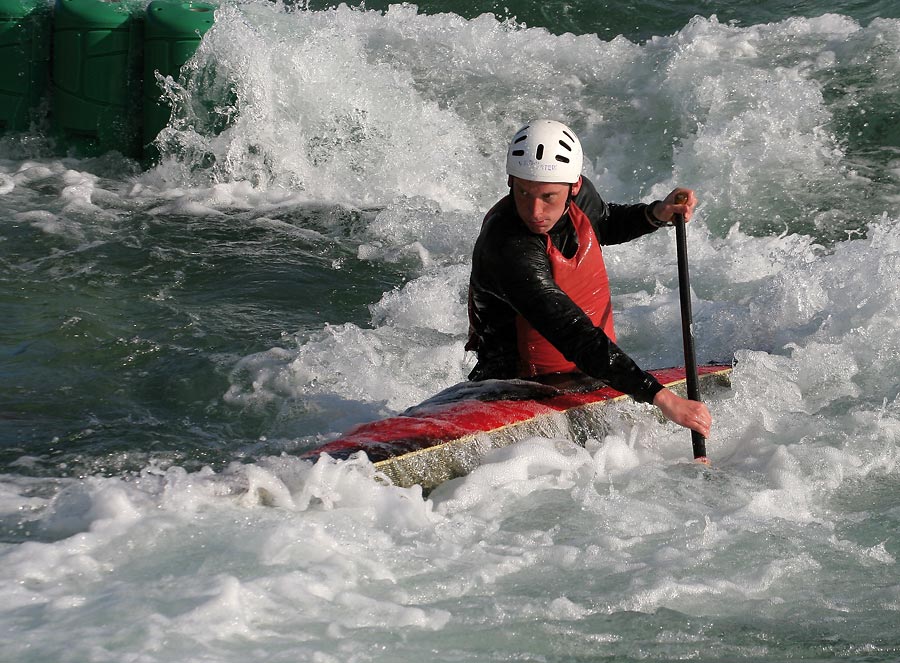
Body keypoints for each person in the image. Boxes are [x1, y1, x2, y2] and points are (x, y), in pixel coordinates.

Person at [466, 119, 712, 438]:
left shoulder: (580, 199)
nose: (535, 210)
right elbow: (575, 335)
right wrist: (661, 398)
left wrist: (656, 214)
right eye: (523, 192)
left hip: (586, 372)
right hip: (513, 391)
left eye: (548, 197)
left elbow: (604, 222)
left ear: (574, 187)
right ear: (511, 180)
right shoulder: (508, 249)